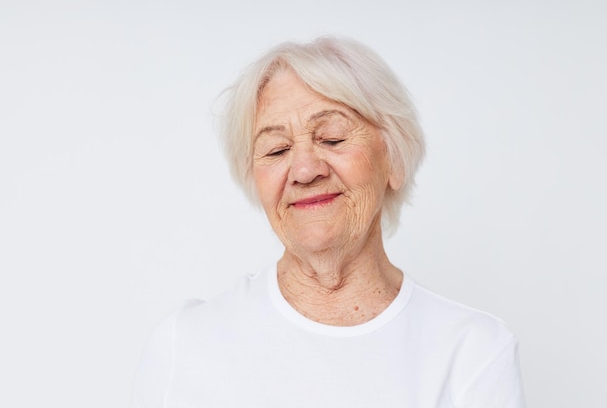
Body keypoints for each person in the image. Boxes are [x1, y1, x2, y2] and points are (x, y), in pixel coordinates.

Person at [132, 36, 526, 408]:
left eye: (332, 139)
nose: (304, 170)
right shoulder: (187, 344)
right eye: (277, 149)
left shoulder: (473, 351)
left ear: (394, 160)